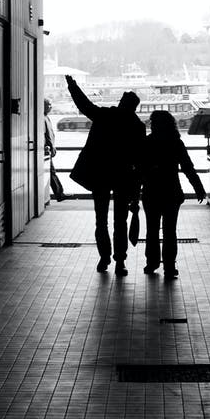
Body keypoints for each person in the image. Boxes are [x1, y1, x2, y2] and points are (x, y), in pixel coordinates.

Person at [66, 75, 146, 275]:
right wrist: (137, 191)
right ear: (135, 107)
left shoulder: (105, 115)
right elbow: (139, 159)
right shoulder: (137, 126)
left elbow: (84, 105)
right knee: (121, 221)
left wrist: (73, 86)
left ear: (121, 102)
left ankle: (104, 258)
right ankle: (120, 261)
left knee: (100, 220)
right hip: (124, 178)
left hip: (100, 175)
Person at [139, 111, 206, 279]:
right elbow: (187, 167)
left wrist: (134, 194)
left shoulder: (146, 143)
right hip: (171, 192)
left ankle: (152, 263)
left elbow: (140, 171)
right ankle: (169, 266)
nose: (151, 125)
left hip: (151, 192)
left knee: (152, 230)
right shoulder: (176, 143)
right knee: (170, 231)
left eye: (153, 122)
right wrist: (198, 187)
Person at [43, 98, 65, 202]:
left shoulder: (46, 118)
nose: (50, 107)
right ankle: (59, 194)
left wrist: (53, 148)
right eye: (48, 105)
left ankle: (59, 194)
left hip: (49, 150)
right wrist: (50, 148)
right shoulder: (42, 118)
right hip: (46, 151)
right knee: (51, 172)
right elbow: (45, 136)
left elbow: (50, 135)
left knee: (51, 172)